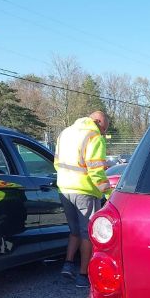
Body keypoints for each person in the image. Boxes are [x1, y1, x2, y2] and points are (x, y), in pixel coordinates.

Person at [54, 111, 112, 288]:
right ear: (98, 122)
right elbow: (95, 170)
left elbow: (56, 162)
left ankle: (68, 265)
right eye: (104, 129)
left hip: (64, 188)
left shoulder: (65, 133)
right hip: (85, 190)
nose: (103, 133)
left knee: (74, 231)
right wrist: (108, 193)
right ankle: (83, 275)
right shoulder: (93, 136)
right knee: (87, 233)